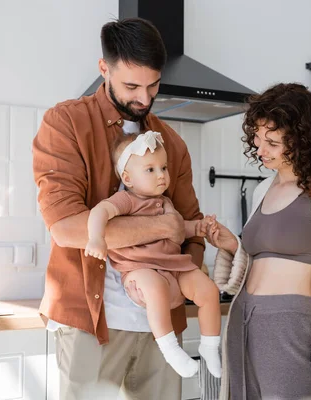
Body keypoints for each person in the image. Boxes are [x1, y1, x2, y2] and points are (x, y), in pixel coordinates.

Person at [32, 17, 205, 399]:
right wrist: (164, 228)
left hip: (163, 330)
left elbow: (191, 229)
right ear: (103, 69)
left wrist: (183, 287)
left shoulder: (172, 144)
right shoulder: (66, 123)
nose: (144, 98)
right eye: (131, 86)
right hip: (89, 323)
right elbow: (66, 228)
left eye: (153, 85)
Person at [201, 83, 311, 399]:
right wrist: (231, 245)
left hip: (291, 326)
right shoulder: (262, 190)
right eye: (257, 138)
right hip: (244, 319)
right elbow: (257, 264)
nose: (260, 149)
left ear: (303, 141)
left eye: (273, 142)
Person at [84, 131, 221, 379]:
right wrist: (96, 238)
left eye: (164, 167)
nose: (161, 175)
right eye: (150, 170)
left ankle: (210, 346)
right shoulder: (126, 200)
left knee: (209, 291)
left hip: (173, 266)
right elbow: (98, 212)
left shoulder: (165, 202)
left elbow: (179, 226)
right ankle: (170, 350)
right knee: (155, 288)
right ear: (128, 177)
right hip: (140, 269)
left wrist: (198, 228)